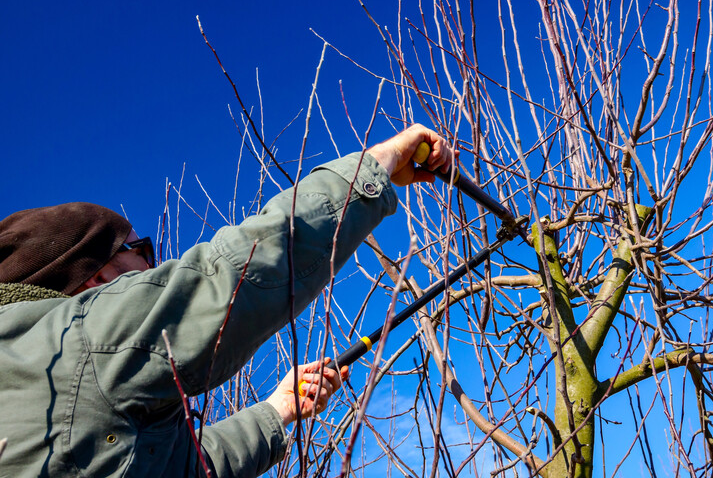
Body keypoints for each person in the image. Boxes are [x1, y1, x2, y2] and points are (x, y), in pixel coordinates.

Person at [0, 125, 454, 478]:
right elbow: (238, 270)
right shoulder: (75, 340)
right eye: (140, 250)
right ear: (99, 274)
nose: (156, 263)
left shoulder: (46, 388)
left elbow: (190, 468)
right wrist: (377, 166)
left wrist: (278, 409)